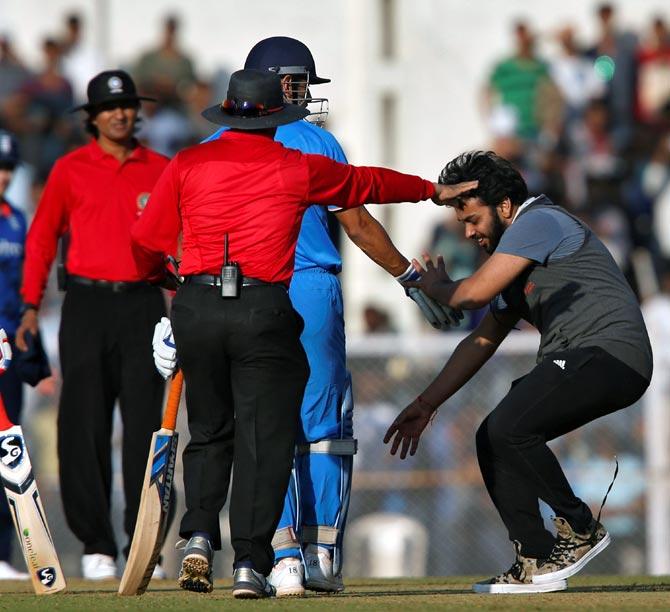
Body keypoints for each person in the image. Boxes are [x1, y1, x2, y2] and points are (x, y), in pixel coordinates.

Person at [131, 68, 475, 599]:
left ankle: (198, 536)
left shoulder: (187, 161)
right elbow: (369, 185)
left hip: (197, 305)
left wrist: (174, 302)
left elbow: (146, 240)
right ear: (277, 117)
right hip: (264, 307)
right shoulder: (295, 166)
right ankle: (253, 564)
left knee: (210, 432)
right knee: (267, 439)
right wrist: (432, 190)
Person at [384, 151, 652, 593]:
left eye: (471, 219)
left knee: (509, 427)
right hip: (590, 356)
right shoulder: (517, 255)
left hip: (610, 353)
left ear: (505, 205)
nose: (468, 233)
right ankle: (535, 557)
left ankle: (581, 528)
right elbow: (482, 340)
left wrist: (435, 287)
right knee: (492, 435)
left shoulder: (538, 222)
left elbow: (471, 295)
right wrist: (425, 403)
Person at [16, 70, 171, 580]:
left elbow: (184, 239)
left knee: (148, 424)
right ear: (92, 117)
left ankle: (141, 538)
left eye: (127, 104)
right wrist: (30, 308)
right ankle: (97, 543)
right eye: (110, 107)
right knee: (83, 424)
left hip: (144, 304)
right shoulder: (70, 169)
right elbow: (41, 240)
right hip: (85, 304)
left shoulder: (162, 169)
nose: (120, 113)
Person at [0, 130, 29, 580]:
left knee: (8, 451)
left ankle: (3, 554)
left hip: (8, 351)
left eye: (7, 168)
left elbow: (25, 290)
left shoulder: (18, 219)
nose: (2, 176)